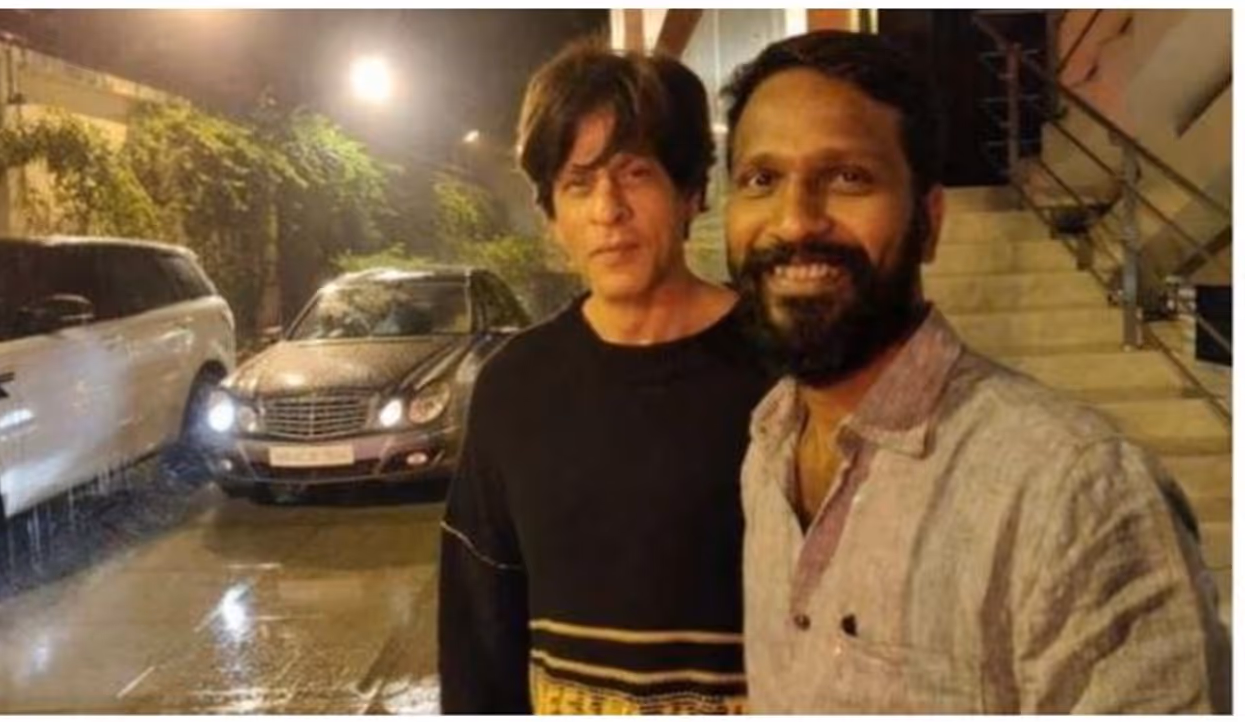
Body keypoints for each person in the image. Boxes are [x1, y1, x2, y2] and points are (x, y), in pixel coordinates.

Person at [721, 30, 1230, 714]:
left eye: (848, 177)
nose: (794, 221)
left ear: (930, 222)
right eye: (761, 179)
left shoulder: (1075, 495)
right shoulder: (766, 449)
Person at [438, 39, 773, 714]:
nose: (607, 209)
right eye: (578, 183)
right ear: (551, 216)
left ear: (691, 192)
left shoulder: (781, 370)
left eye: (635, 173)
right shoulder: (513, 388)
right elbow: (480, 631)